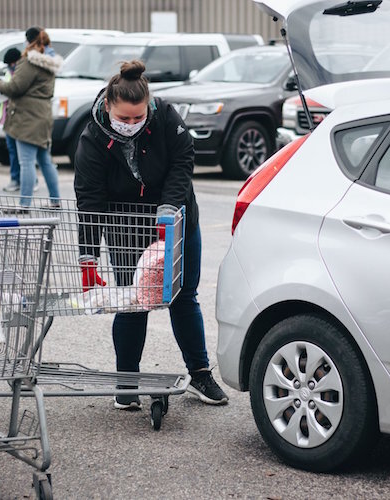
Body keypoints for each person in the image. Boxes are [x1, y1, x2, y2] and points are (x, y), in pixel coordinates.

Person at [73, 60, 229, 409]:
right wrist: (88, 256)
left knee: (184, 295)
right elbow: (90, 200)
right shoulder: (92, 137)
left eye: (137, 118)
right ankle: (127, 382)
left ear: (148, 107)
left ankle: (200, 373)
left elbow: (182, 161)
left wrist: (169, 209)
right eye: (124, 119)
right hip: (127, 224)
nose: (131, 124)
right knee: (133, 302)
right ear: (109, 107)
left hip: (174, 220)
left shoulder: (166, 118)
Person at [0, 27, 61, 208]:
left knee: (26, 162)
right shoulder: (49, 62)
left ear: (29, 41)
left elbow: (15, 87)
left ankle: (24, 204)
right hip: (42, 115)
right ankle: (55, 200)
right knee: (45, 161)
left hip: (28, 118)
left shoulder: (30, 61)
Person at [0, 47, 38, 194]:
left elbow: (14, 89)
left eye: (11, 64)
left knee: (25, 156)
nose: (10, 67)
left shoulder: (24, 73)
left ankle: (29, 182)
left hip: (21, 119)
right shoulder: (9, 73)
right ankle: (17, 180)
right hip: (10, 118)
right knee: (14, 152)